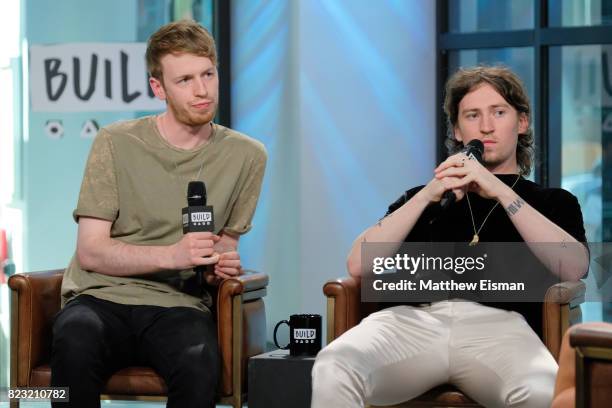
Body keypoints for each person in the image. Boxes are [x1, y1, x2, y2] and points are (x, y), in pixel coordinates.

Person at [311, 66, 589, 408]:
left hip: (502, 328)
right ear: (458, 131)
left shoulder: (552, 202)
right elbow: (357, 264)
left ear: (521, 123)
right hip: (410, 321)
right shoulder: (424, 197)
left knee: (541, 390)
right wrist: (429, 193)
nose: (486, 126)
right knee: (334, 365)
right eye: (473, 115)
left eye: (498, 112)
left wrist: (499, 191)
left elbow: (574, 267)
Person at [50, 20, 267, 408]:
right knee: (73, 340)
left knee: (199, 360)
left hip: (179, 306)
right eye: (184, 80)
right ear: (158, 88)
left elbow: (222, 247)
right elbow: (92, 251)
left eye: (208, 74)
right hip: (101, 296)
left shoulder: (247, 156)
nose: (202, 90)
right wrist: (171, 255)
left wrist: (220, 264)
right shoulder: (116, 142)